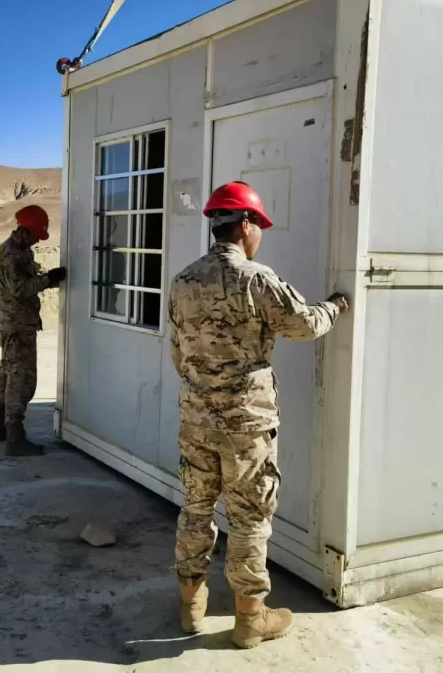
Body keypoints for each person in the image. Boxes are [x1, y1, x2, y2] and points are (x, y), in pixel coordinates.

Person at [167, 181, 349, 649]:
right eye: (259, 227)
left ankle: (191, 604)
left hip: (196, 419)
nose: (260, 235)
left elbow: (177, 351)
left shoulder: (183, 281)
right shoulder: (255, 279)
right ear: (245, 226)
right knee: (249, 519)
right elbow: (305, 325)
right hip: (246, 424)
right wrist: (335, 306)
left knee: (196, 506)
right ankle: (250, 618)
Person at [0, 204, 66, 457]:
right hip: (17, 325)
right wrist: (49, 280)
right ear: (25, 231)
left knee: (7, 372)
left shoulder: (19, 251)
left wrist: (46, 280)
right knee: (20, 377)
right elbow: (20, 289)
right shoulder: (11, 254)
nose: (37, 241)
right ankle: (15, 435)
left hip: (14, 322)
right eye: (36, 236)